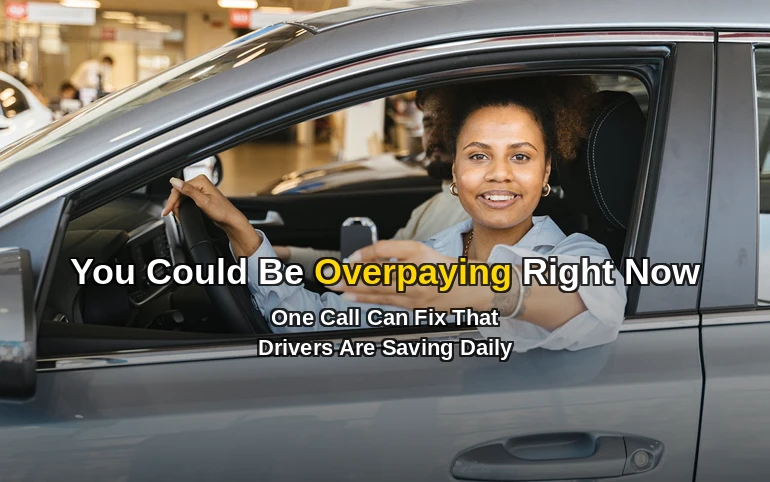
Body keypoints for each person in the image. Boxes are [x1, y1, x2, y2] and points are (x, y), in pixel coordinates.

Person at [162, 76, 627, 352]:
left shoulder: (575, 254)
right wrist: (242, 233)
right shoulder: (429, 253)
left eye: (521, 157)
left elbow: (591, 312)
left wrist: (478, 292)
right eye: (479, 156)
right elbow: (312, 321)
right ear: (456, 168)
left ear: (547, 168)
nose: (499, 175)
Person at [272, 87, 470, 274]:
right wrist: (286, 255)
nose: (434, 137)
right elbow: (370, 268)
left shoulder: (475, 214)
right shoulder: (429, 208)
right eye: (428, 124)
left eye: (446, 124)